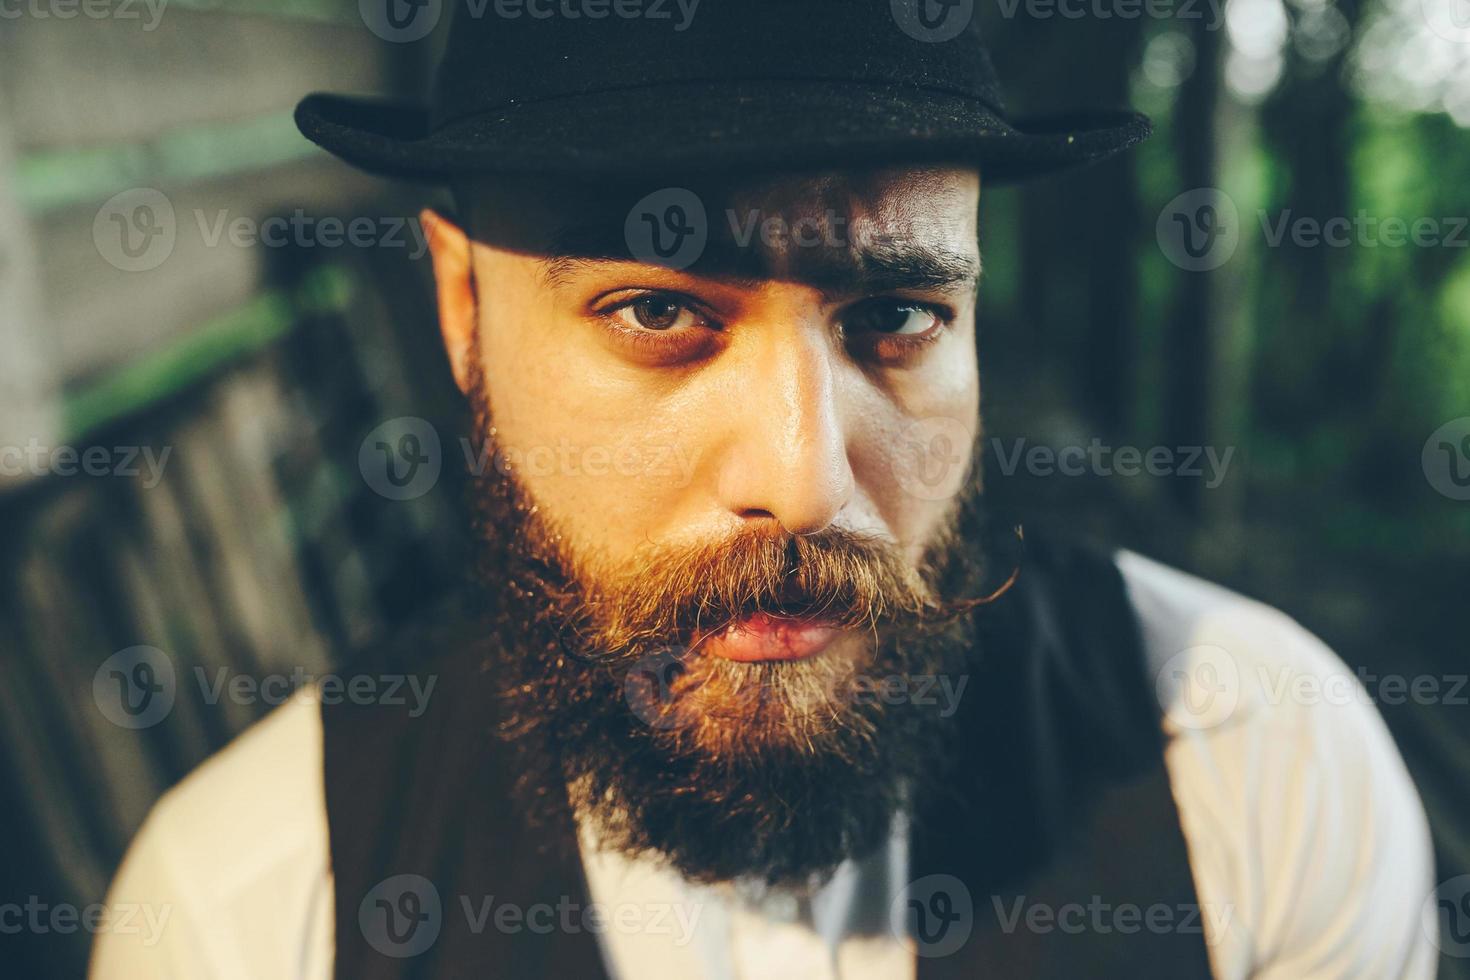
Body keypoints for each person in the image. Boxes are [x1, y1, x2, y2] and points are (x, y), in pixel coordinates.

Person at [91, 2, 1437, 977]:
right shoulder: (248, 914)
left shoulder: (1257, 770)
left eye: (897, 314)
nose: (801, 482)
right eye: (659, 310)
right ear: (462, 308)